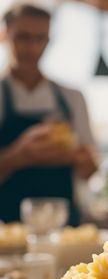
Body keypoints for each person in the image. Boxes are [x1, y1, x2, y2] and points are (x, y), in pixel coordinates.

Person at [0, 3, 97, 225]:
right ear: (4, 36)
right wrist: (18, 155)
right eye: (23, 37)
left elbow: (88, 171)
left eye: (40, 38)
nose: (32, 48)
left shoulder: (72, 98)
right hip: (4, 231)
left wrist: (84, 161)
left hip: (63, 228)